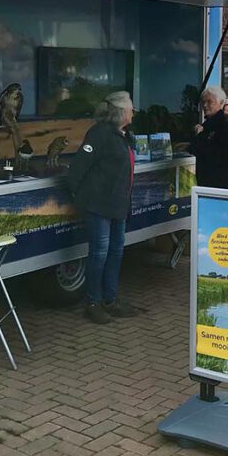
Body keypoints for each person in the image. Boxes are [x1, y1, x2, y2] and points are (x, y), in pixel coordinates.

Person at [66, 91, 137, 324]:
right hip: (99, 204)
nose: (133, 112)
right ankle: (93, 302)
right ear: (122, 113)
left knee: (116, 252)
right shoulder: (99, 134)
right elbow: (79, 167)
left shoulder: (123, 135)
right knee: (99, 253)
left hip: (118, 204)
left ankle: (110, 299)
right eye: (130, 109)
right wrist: (78, 194)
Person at [193, 85, 228, 189]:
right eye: (203, 102)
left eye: (209, 102)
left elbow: (221, 156)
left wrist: (200, 136)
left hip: (221, 185)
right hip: (206, 183)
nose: (205, 105)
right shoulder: (207, 125)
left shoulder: (227, 126)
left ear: (220, 103)